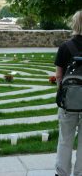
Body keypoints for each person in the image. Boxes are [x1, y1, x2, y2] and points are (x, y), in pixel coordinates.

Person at [54, 10, 82, 176]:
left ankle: (62, 172)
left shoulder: (65, 47)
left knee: (65, 139)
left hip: (68, 101)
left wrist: (62, 92)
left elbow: (58, 75)